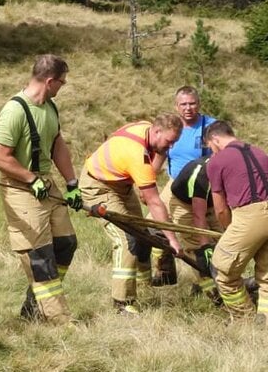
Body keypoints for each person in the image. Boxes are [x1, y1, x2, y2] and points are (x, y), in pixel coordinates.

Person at [0, 55, 81, 325]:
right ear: (50, 81)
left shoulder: (50, 107)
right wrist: (30, 179)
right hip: (21, 189)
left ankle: (34, 306)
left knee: (66, 244)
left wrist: (72, 183)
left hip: (47, 184)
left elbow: (57, 144)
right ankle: (59, 320)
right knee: (40, 257)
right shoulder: (15, 110)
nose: (62, 87)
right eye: (61, 83)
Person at [79, 114, 183, 312]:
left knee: (142, 234)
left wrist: (146, 180)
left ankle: (145, 286)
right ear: (157, 131)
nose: (171, 147)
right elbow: (154, 202)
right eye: (170, 142)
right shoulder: (136, 155)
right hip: (98, 186)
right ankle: (122, 303)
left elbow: (159, 153)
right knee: (127, 240)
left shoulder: (147, 129)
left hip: (122, 185)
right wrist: (173, 240)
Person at [152, 86, 218, 284]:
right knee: (154, 226)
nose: (188, 108)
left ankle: (209, 280)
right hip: (175, 184)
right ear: (176, 106)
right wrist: (148, 180)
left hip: (204, 186)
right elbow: (161, 153)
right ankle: (165, 271)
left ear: (199, 104)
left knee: (207, 235)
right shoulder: (172, 127)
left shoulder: (210, 126)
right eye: (184, 104)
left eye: (192, 103)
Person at [205, 120, 268, 319]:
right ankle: (264, 320)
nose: (211, 151)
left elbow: (221, 209)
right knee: (266, 272)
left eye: (210, 147)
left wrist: (228, 230)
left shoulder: (217, 161)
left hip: (249, 215)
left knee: (222, 269)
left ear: (214, 139)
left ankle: (244, 319)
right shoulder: (259, 151)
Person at [166, 156, 221, 302]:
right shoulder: (201, 175)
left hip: (212, 204)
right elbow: (198, 216)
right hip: (185, 205)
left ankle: (211, 283)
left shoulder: (232, 170)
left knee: (221, 242)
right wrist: (204, 247)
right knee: (198, 249)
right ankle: (212, 294)